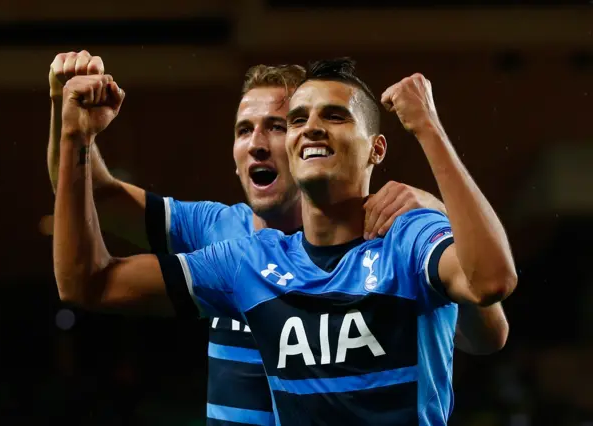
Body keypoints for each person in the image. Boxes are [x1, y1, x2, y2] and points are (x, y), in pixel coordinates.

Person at [51, 54, 512, 424]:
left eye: (275, 124)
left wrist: (437, 196)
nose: (258, 142)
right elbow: (91, 218)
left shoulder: (404, 233)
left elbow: (488, 313)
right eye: (244, 129)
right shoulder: (234, 248)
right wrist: (70, 127)